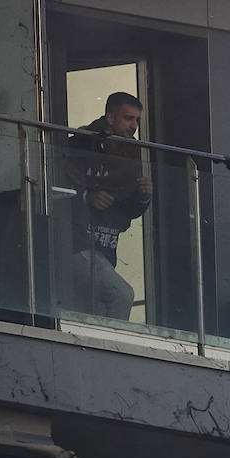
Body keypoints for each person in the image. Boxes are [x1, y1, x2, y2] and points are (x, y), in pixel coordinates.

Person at [66, 91, 152, 319]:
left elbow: (128, 209)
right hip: (73, 242)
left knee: (96, 307)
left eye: (137, 120)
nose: (134, 125)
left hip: (105, 247)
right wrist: (87, 196)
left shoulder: (133, 151)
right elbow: (58, 184)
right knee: (121, 295)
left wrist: (143, 196)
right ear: (110, 117)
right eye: (128, 118)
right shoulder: (81, 143)